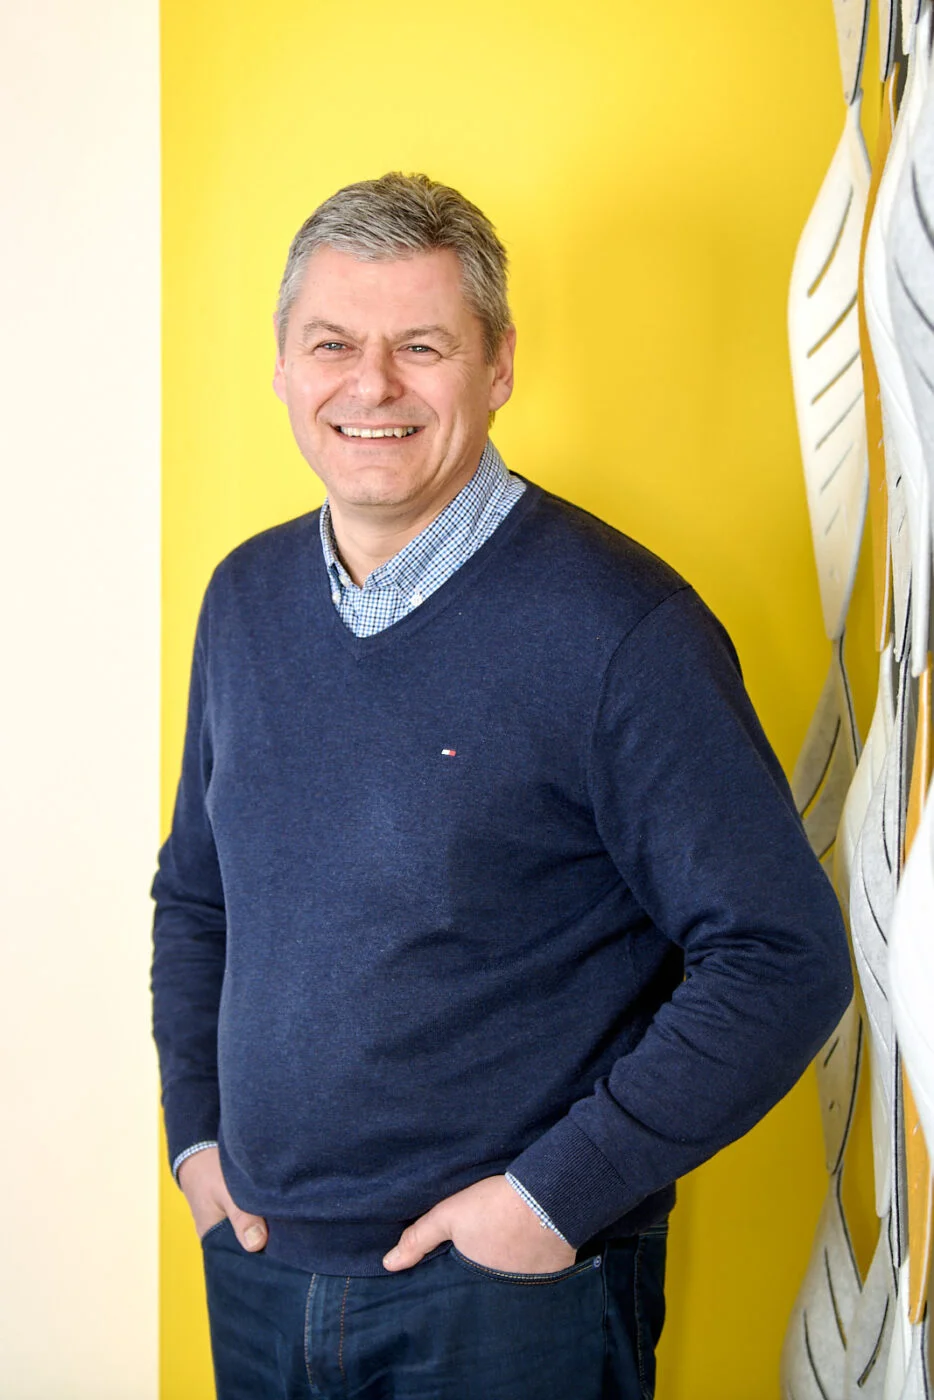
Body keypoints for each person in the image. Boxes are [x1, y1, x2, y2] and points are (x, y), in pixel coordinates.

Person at [151, 171, 852, 1400]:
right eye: (333, 344)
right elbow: (197, 897)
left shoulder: (621, 628)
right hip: (260, 1268)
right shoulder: (243, 598)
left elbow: (780, 956)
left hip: (506, 1297)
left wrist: (547, 1203)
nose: (370, 386)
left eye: (420, 346)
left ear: (498, 365)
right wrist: (198, 1140)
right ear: (281, 364)